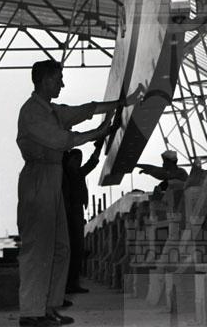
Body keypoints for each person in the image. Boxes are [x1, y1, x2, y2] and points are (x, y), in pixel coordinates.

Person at [16, 59, 142, 327]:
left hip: (53, 178)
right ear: (45, 81)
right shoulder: (32, 113)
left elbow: (85, 110)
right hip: (38, 179)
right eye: (58, 79)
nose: (62, 84)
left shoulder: (51, 110)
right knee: (39, 249)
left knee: (61, 248)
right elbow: (62, 140)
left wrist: (122, 103)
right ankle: (31, 313)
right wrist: (98, 132)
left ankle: (49, 307)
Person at [62, 141, 102, 294]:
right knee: (72, 248)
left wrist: (98, 147)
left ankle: (72, 283)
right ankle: (69, 283)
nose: (78, 162)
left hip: (77, 212)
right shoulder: (65, 174)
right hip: (69, 212)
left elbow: (92, 163)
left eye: (79, 160)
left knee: (77, 248)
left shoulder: (78, 173)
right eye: (76, 159)